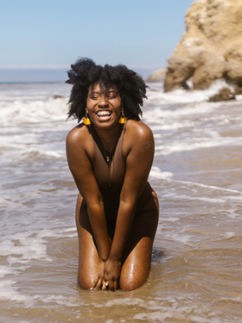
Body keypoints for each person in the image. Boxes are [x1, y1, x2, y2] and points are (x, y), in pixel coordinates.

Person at [65, 58, 159, 291]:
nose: (103, 103)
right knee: (91, 286)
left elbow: (128, 200)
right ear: (84, 104)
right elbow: (94, 201)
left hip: (139, 210)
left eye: (112, 96)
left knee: (129, 286)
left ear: (123, 102)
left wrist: (115, 261)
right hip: (92, 210)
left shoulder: (139, 135)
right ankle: (112, 251)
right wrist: (106, 258)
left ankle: (129, 251)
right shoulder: (77, 140)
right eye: (94, 97)